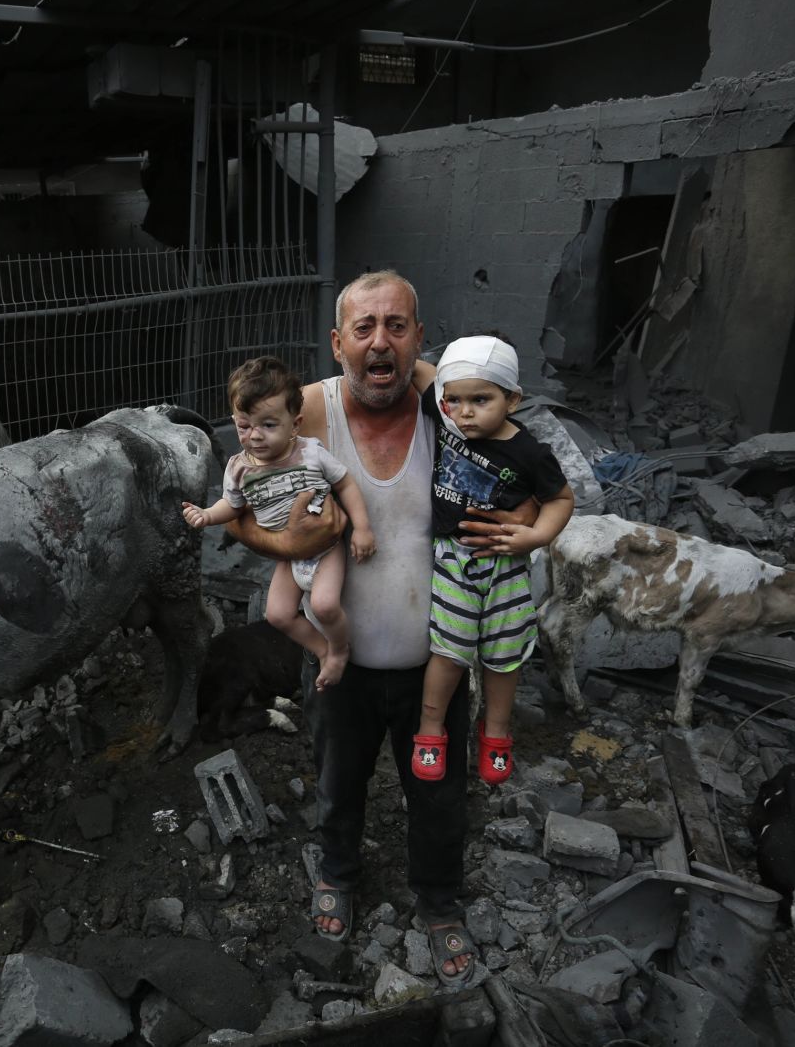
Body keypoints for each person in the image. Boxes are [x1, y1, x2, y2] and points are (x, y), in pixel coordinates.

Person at [227, 270, 536, 986]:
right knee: (339, 777)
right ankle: (337, 872)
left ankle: (439, 901)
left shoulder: (452, 413)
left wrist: (441, 382)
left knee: (439, 792)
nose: (380, 342)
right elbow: (241, 505)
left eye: (397, 326)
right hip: (343, 662)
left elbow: (529, 458)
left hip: (439, 660)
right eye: (363, 328)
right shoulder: (305, 413)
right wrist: (294, 545)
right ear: (336, 343)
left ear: (421, 342)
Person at [412, 336, 574, 786]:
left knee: (504, 655)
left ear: (512, 399)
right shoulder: (448, 421)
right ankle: (430, 728)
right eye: (455, 400)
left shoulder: (529, 452)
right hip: (452, 559)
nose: (465, 412)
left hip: (504, 567)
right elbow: (424, 373)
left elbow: (561, 498)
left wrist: (536, 536)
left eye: (481, 400)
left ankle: (497, 732)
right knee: (448, 649)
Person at [182, 356, 376, 689]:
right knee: (277, 615)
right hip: (289, 555)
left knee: (325, 605)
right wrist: (206, 515)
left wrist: (361, 527)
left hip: (326, 547)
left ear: (295, 424)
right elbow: (232, 505)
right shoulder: (239, 467)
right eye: (244, 426)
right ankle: (323, 650)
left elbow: (345, 483)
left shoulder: (310, 453)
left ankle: (341, 650)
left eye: (268, 425)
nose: (254, 436)